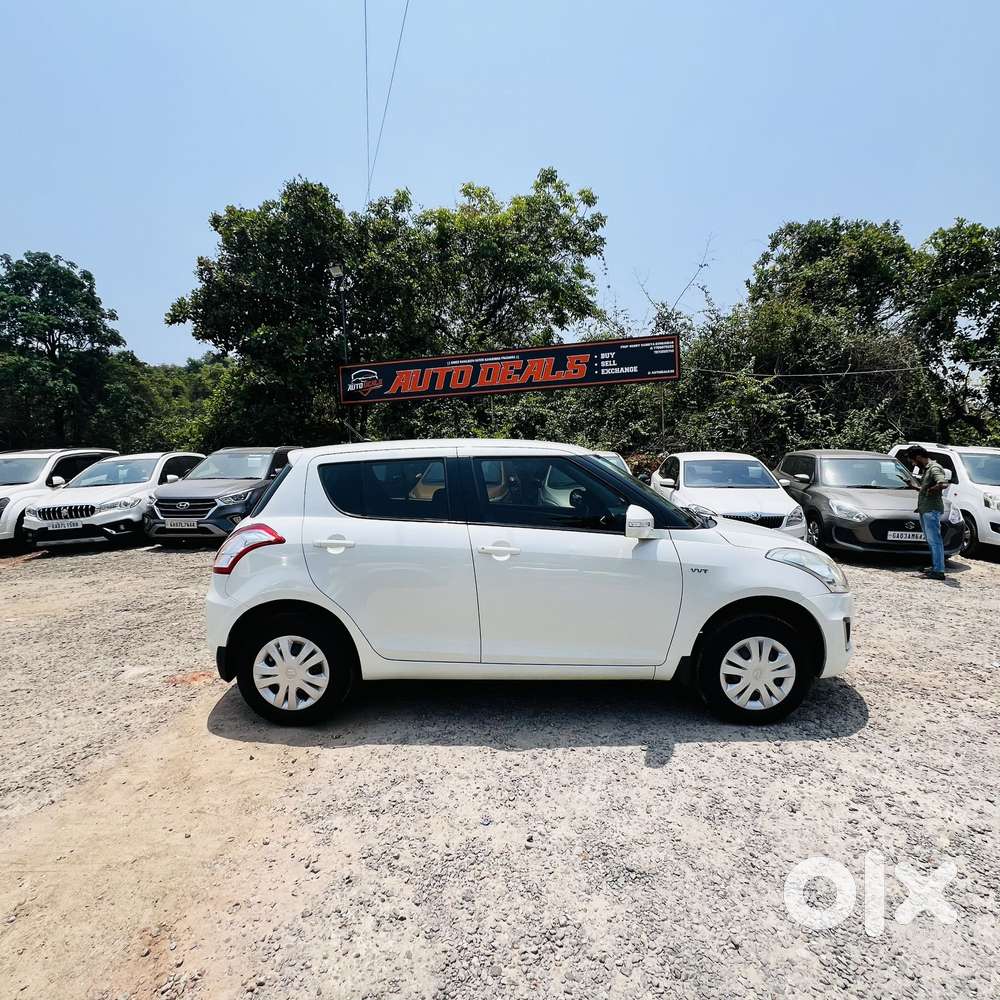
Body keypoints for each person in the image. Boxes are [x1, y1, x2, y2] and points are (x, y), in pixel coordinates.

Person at [909, 446, 949, 581]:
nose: (914, 464)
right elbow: (927, 488)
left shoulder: (934, 468)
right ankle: (935, 567)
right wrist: (916, 488)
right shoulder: (927, 469)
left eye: (914, 461)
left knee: (935, 541)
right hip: (925, 508)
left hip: (931, 510)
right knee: (931, 541)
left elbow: (943, 483)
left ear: (919, 457)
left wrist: (933, 489)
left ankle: (939, 571)